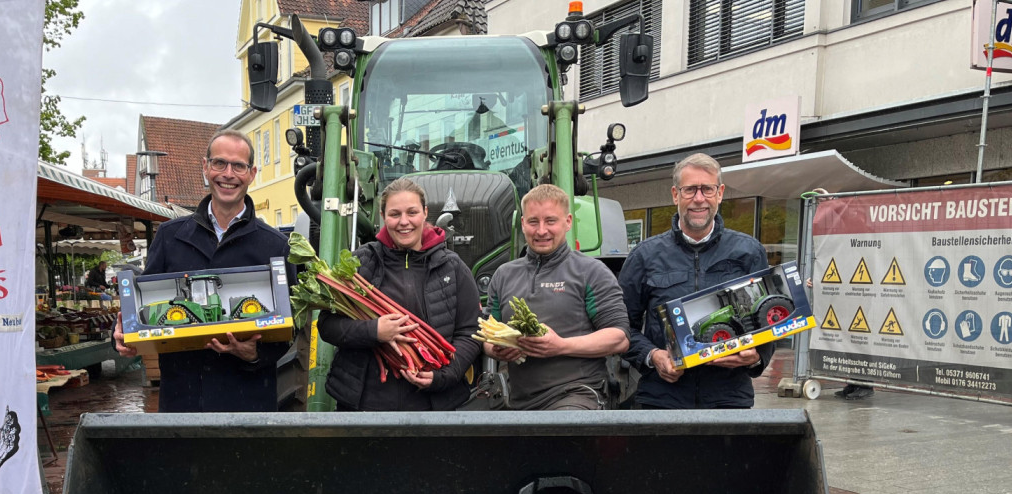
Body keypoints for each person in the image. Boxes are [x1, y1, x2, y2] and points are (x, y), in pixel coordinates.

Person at [113, 129, 290, 412]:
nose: (228, 174)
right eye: (219, 163)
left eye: (239, 166)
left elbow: (291, 325)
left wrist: (256, 354)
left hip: (247, 400)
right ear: (206, 167)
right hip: (183, 399)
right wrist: (122, 333)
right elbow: (141, 297)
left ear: (252, 173)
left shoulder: (275, 246)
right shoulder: (171, 236)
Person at [619, 153, 771, 409]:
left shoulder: (749, 253)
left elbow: (766, 323)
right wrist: (653, 356)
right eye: (690, 190)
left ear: (720, 193)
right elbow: (622, 327)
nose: (698, 199)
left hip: (729, 399)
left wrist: (755, 357)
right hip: (662, 398)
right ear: (675, 195)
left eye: (707, 189)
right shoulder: (644, 256)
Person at [318, 178, 481, 411]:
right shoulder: (361, 263)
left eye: (412, 212)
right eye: (395, 214)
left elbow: (470, 331)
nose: (404, 222)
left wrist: (443, 375)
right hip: (365, 404)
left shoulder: (452, 267)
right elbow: (328, 325)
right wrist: (374, 331)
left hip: (433, 404)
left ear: (425, 213)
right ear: (383, 216)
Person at [481, 184, 630, 410]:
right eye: (533, 222)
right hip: (517, 399)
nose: (541, 231)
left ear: (568, 222)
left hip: (576, 396)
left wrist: (560, 346)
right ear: (523, 224)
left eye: (550, 221)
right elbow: (486, 336)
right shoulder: (504, 275)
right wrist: (499, 348)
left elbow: (619, 338)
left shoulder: (591, 272)